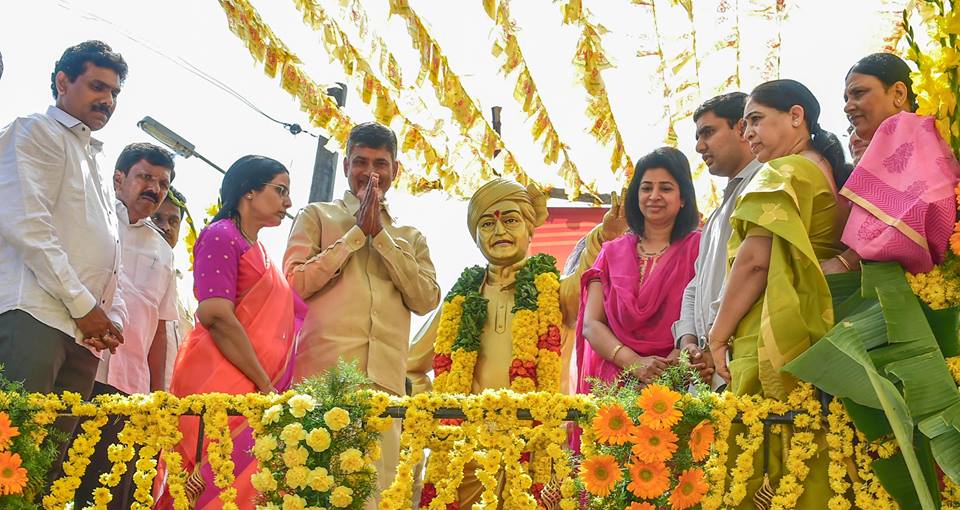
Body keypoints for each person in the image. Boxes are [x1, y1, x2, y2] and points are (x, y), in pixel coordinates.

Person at [405, 178, 626, 507]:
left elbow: (585, 279)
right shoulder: (460, 299)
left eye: (510, 220)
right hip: (466, 457)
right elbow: (410, 367)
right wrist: (441, 412)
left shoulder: (551, 292)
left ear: (529, 228)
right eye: (486, 223)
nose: (499, 231)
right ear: (476, 235)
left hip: (535, 447)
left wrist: (603, 237)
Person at [283, 122, 441, 506]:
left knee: (377, 497)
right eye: (360, 162)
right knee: (314, 493)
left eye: (380, 164)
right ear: (346, 167)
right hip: (322, 384)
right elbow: (295, 283)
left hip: (385, 388)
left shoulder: (410, 236)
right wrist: (354, 237)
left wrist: (381, 239)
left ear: (395, 170)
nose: (370, 173)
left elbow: (426, 298)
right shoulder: (316, 217)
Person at [707, 79, 847, 508]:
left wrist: (717, 335)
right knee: (805, 465)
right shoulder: (822, 170)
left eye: (755, 120)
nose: (747, 132)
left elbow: (755, 261)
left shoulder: (787, 171)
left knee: (753, 469)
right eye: (745, 123)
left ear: (796, 116)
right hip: (809, 337)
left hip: (768, 338)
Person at [156, 155, 304, 510]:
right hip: (218, 381)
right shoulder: (221, 235)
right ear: (249, 191)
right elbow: (216, 315)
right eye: (280, 190)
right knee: (202, 487)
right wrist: (264, 384)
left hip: (255, 389)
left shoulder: (263, 253)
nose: (288, 202)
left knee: (245, 491)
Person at [0, 40, 127, 412]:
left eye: (114, 92)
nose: (108, 100)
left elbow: (110, 252)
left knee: (53, 466)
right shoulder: (34, 131)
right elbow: (28, 227)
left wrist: (108, 318)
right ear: (62, 82)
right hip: (35, 318)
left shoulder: (96, 158)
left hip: (82, 334)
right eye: (97, 86)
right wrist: (84, 305)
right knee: (13, 455)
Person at [75, 142, 177, 509]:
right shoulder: (93, 219)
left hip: (130, 388)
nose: (154, 188)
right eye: (145, 177)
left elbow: (161, 329)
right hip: (77, 369)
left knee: (111, 491)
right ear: (119, 178)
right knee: (57, 476)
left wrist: (157, 396)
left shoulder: (164, 252)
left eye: (162, 183)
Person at [576, 147, 700, 392]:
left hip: (679, 380)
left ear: (683, 197)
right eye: (646, 188)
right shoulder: (611, 253)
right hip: (615, 384)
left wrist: (675, 361)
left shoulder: (700, 249)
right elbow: (591, 324)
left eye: (665, 188)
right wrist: (634, 363)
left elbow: (704, 315)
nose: (654, 196)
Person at [823, 52, 959, 275]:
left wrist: (847, 260)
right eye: (846, 99)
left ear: (898, 93)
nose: (848, 106)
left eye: (859, 93)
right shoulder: (890, 139)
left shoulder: (916, 129)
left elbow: (927, 202)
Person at [672, 92, 761, 385]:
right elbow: (695, 286)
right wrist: (688, 345)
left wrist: (713, 342)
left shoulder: (764, 187)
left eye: (708, 132)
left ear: (741, 128)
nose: (699, 147)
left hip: (742, 359)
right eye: (698, 136)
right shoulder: (718, 211)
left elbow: (752, 269)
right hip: (709, 365)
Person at [151, 185, 195, 390]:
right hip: (131, 392)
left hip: (173, 399)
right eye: (157, 218)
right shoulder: (123, 268)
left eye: (173, 221)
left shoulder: (186, 286)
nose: (166, 227)